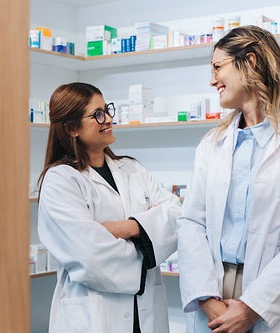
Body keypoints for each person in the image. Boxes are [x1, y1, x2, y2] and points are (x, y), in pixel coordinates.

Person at [177, 25, 280, 333]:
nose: (212, 79)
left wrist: (253, 306)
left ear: (251, 62)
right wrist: (206, 299)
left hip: (274, 296)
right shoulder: (211, 144)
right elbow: (192, 222)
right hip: (215, 289)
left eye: (218, 67)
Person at [37, 82, 181, 333]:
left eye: (107, 110)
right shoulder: (61, 180)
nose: (108, 119)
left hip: (146, 313)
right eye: (98, 115)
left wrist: (127, 228)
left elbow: (177, 216)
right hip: (94, 317)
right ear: (71, 128)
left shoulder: (133, 169)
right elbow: (89, 254)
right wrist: (149, 239)